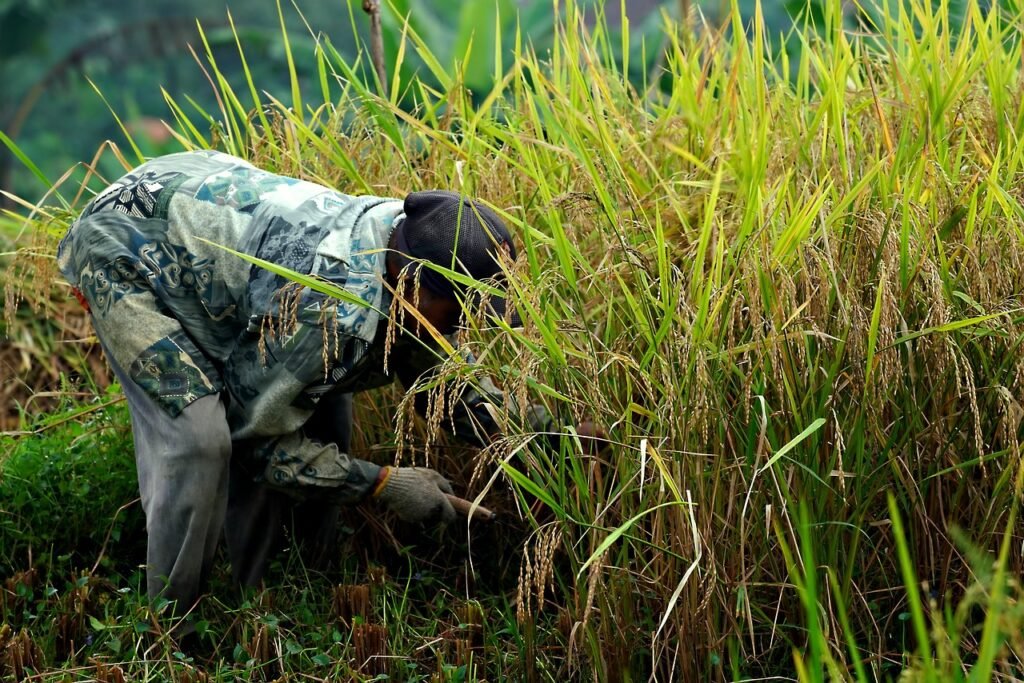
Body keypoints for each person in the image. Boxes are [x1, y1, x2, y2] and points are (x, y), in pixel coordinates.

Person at [56, 149, 568, 626]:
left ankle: (281, 588)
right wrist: (383, 483)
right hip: (127, 244)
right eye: (461, 310)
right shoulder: (323, 311)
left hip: (204, 214)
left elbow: (448, 386)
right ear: (414, 286)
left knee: (323, 403)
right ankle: (170, 626)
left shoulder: (414, 247)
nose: (466, 325)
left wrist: (548, 438)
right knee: (200, 440)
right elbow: (256, 444)